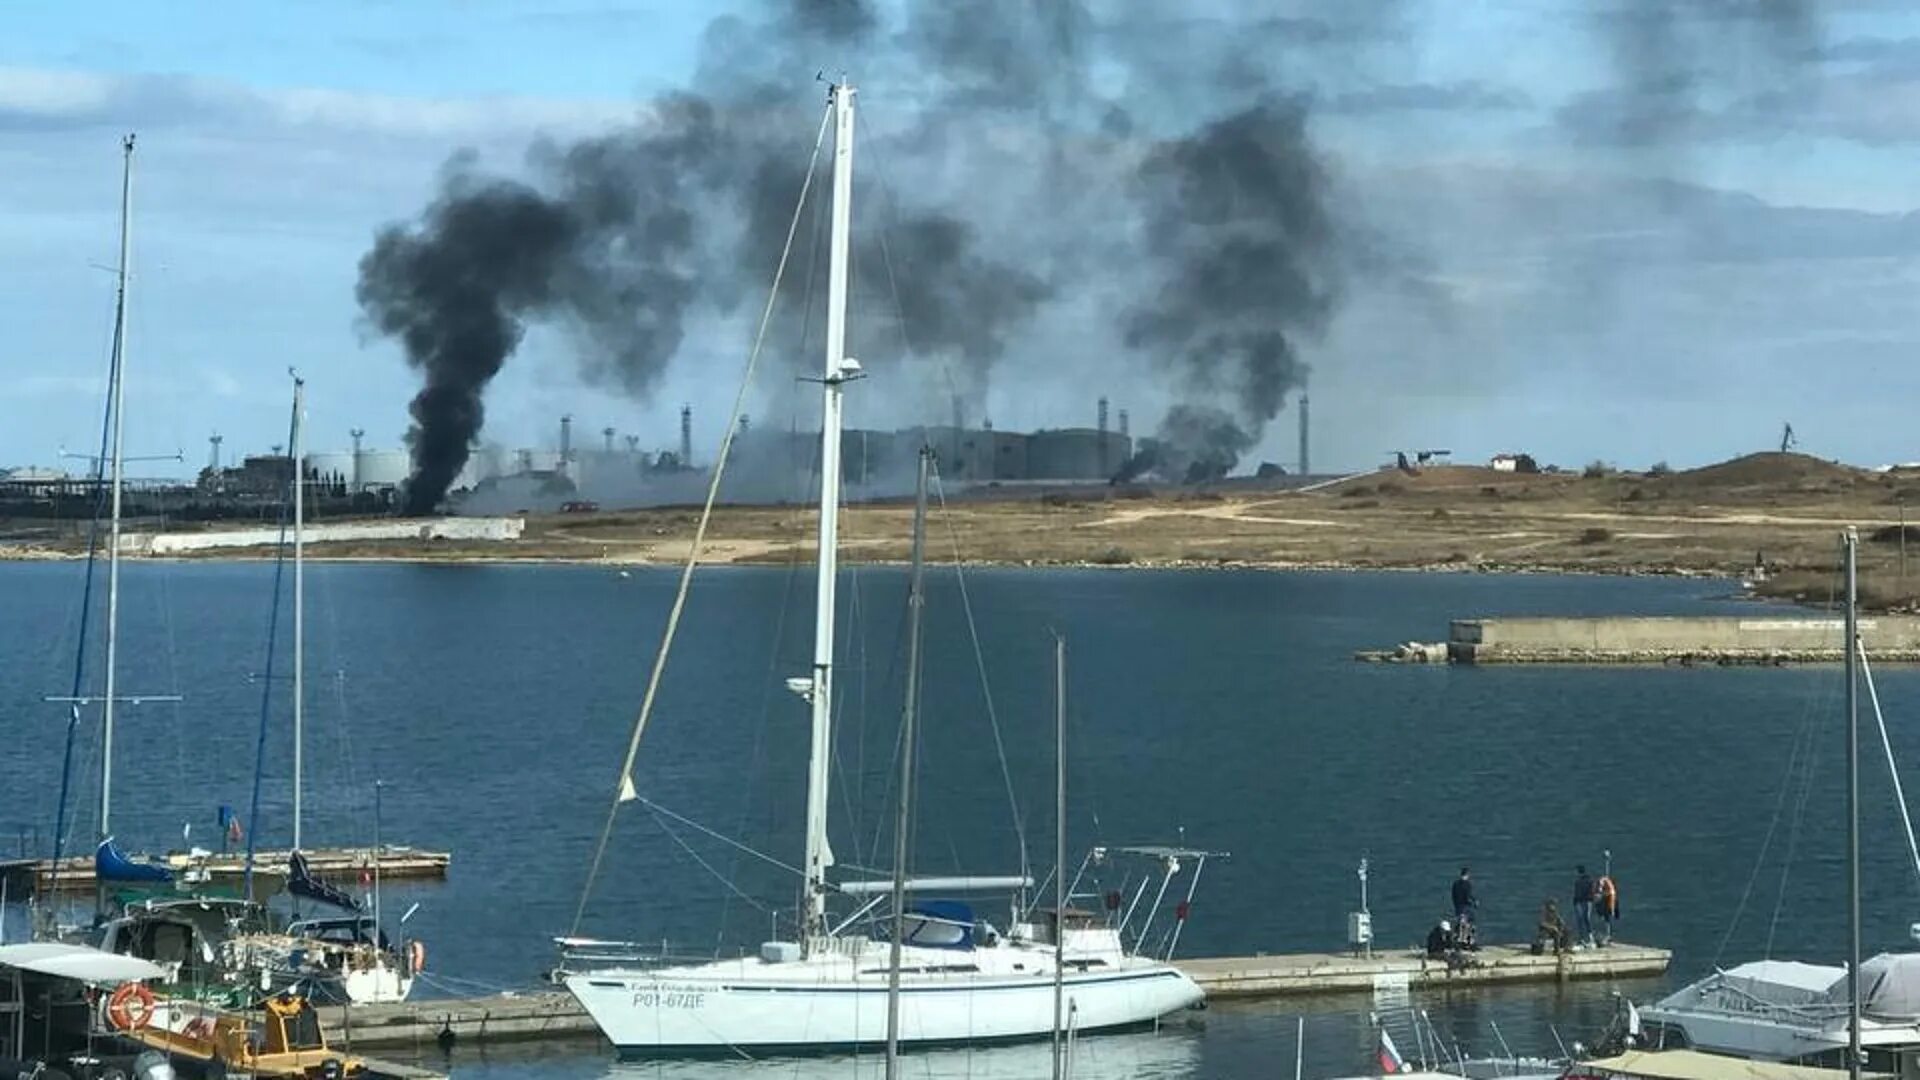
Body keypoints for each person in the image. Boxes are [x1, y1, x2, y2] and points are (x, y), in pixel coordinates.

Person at [1595, 871, 1620, 946]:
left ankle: (1608, 935)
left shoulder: (1608, 888)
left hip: (1609, 906)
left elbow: (1609, 897)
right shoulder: (1605, 885)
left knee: (1608, 920)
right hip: (1608, 905)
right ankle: (1607, 935)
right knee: (1607, 920)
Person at [1573, 865, 1595, 947]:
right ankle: (1587, 938)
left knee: (1582, 920)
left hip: (1582, 901)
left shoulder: (1579, 881)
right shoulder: (1590, 880)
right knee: (1585, 919)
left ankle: (1584, 938)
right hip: (1586, 901)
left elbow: (1577, 892)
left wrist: (1575, 901)